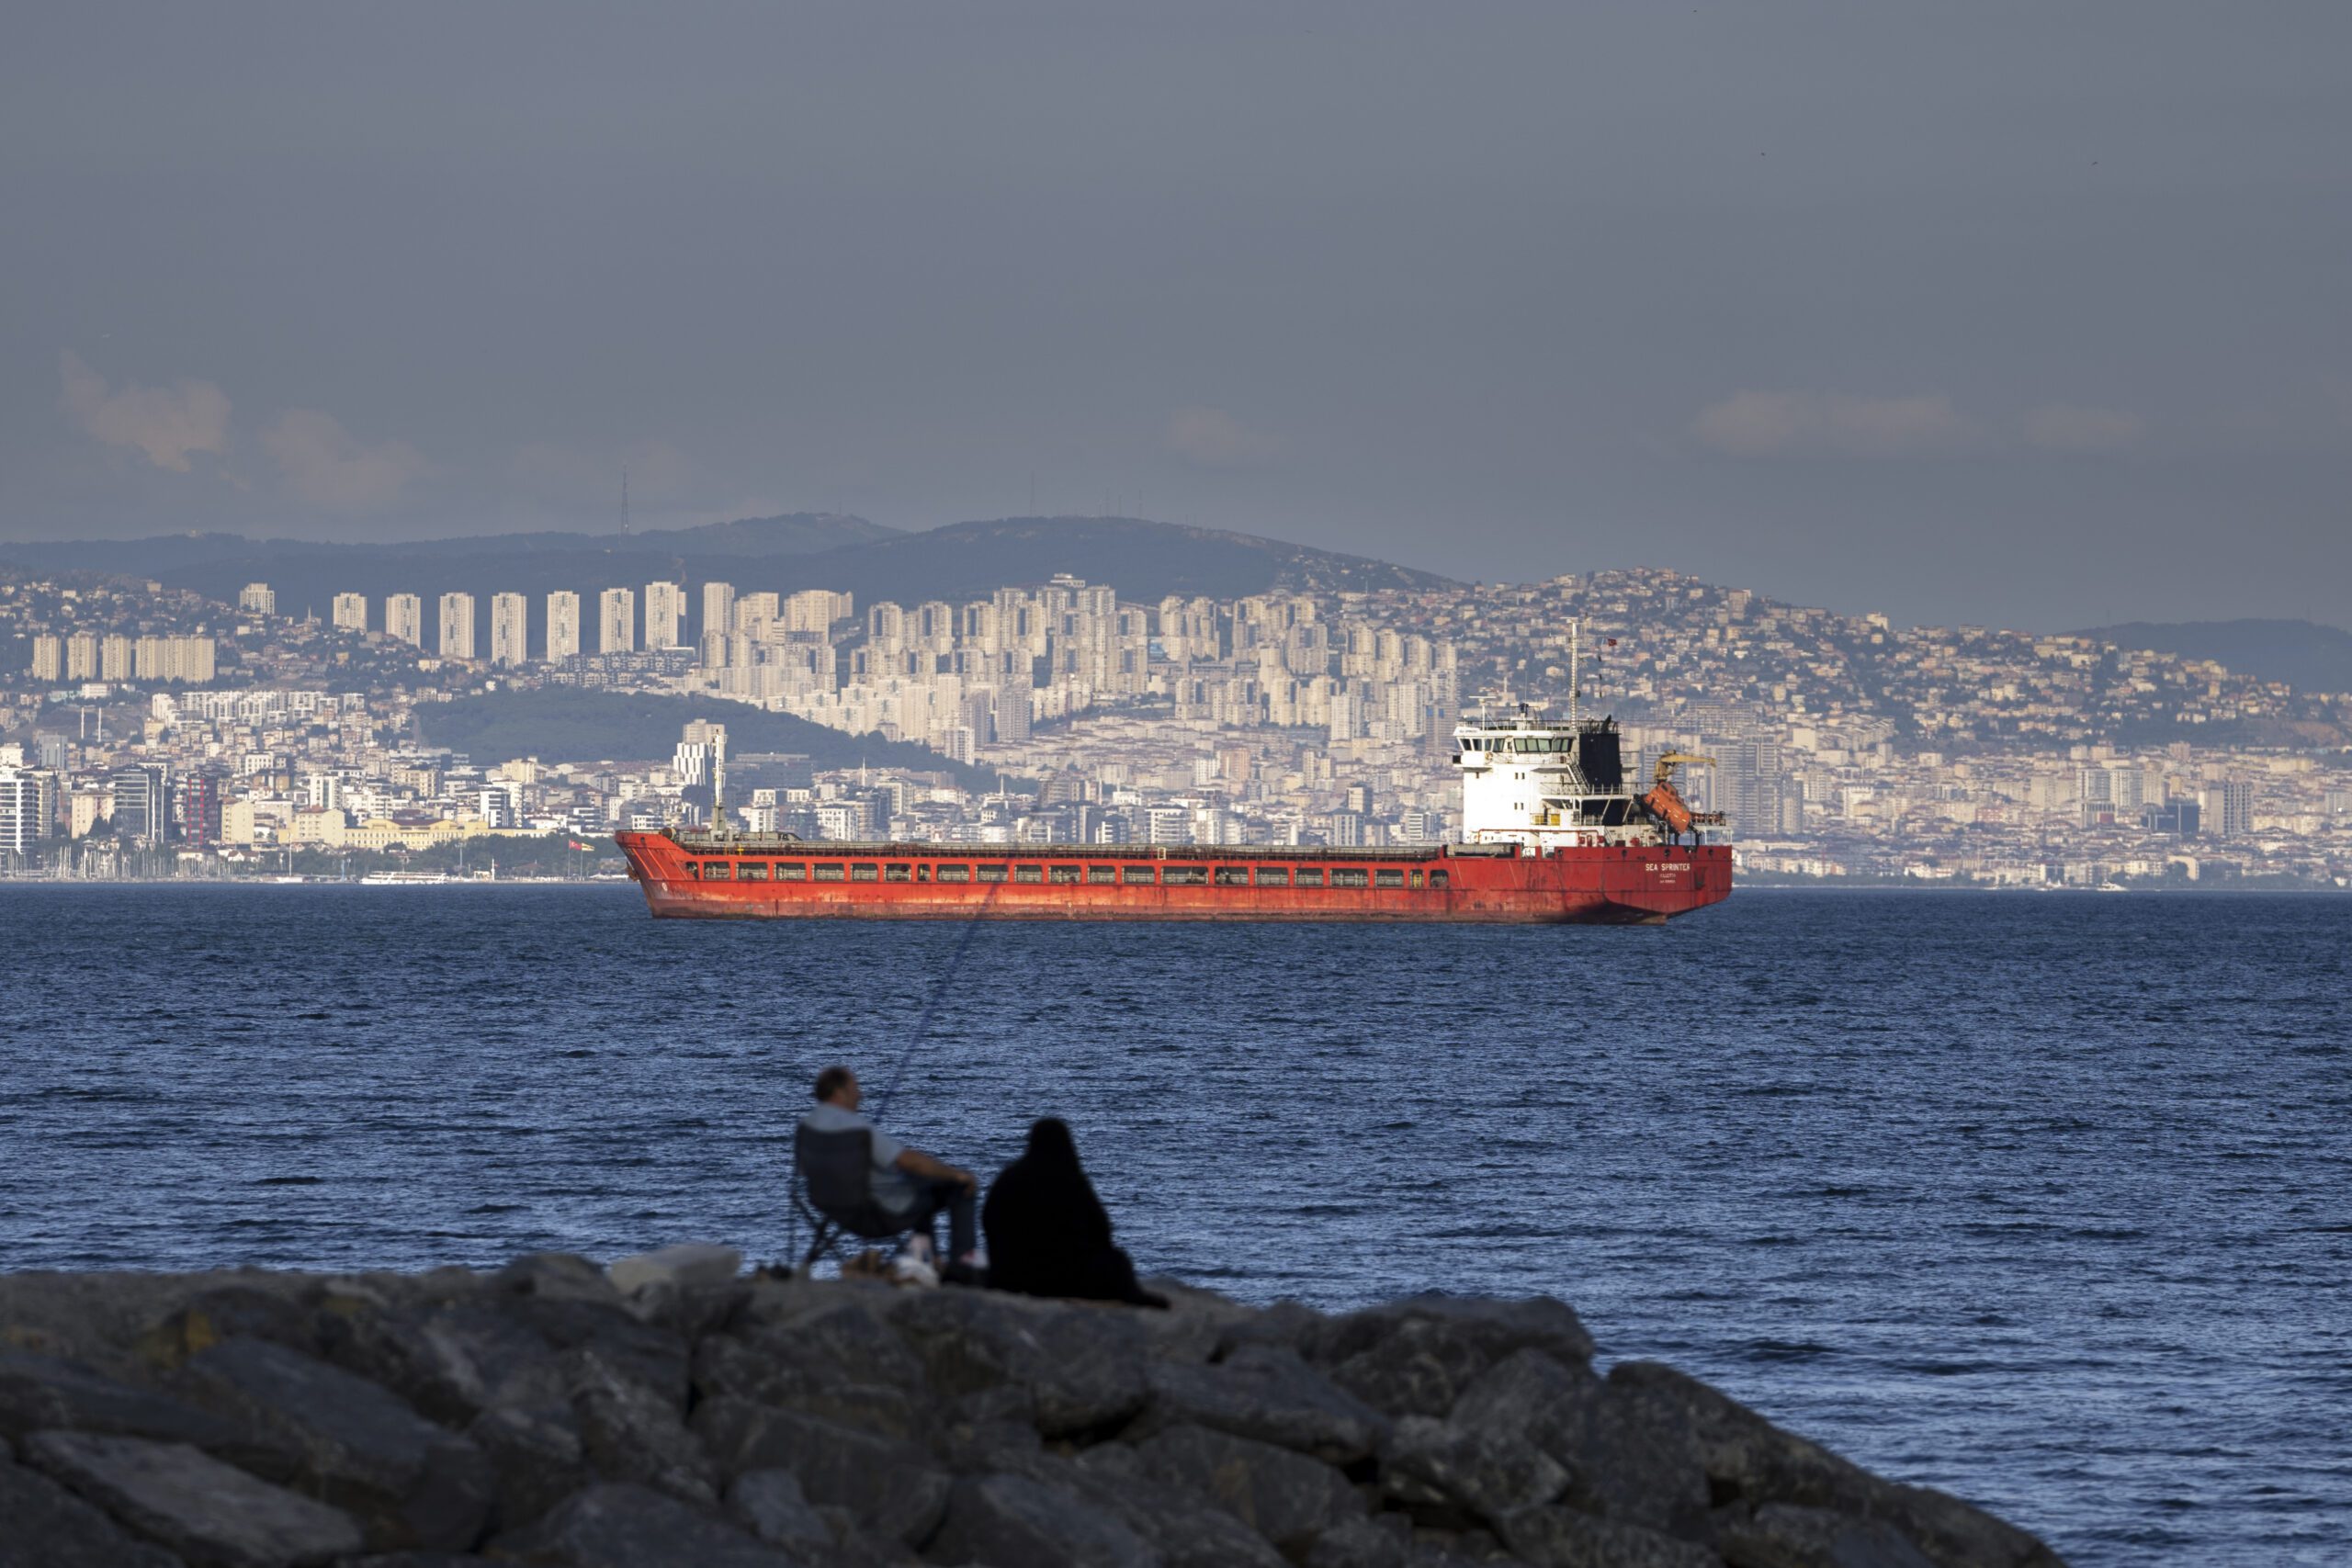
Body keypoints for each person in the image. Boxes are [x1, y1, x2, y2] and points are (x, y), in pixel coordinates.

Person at [800, 1066, 983, 1284]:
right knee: (960, 1188)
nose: (860, 1094)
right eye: (855, 1088)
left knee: (922, 1186)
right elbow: (910, 1162)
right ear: (840, 1092)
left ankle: (925, 1262)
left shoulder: (807, 1127)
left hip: (833, 1208)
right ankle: (962, 1269)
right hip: (880, 1212)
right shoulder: (856, 1129)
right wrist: (957, 1174)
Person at [982, 1118, 1167, 1308]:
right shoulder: (1070, 1180)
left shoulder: (1008, 1179)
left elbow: (989, 1220)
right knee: (1117, 1261)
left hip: (1013, 1276)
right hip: (1066, 1276)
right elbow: (1101, 1228)